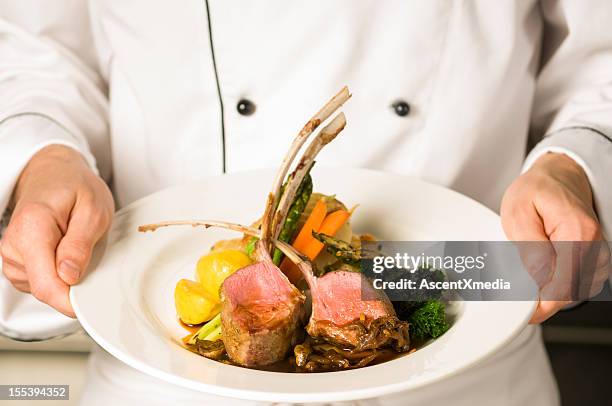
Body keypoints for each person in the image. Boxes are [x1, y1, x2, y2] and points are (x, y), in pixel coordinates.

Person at [0, 1, 610, 405]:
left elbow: (600, 57)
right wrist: (43, 155)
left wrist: (577, 163)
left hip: (466, 339)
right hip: (162, 375)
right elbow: (37, 54)